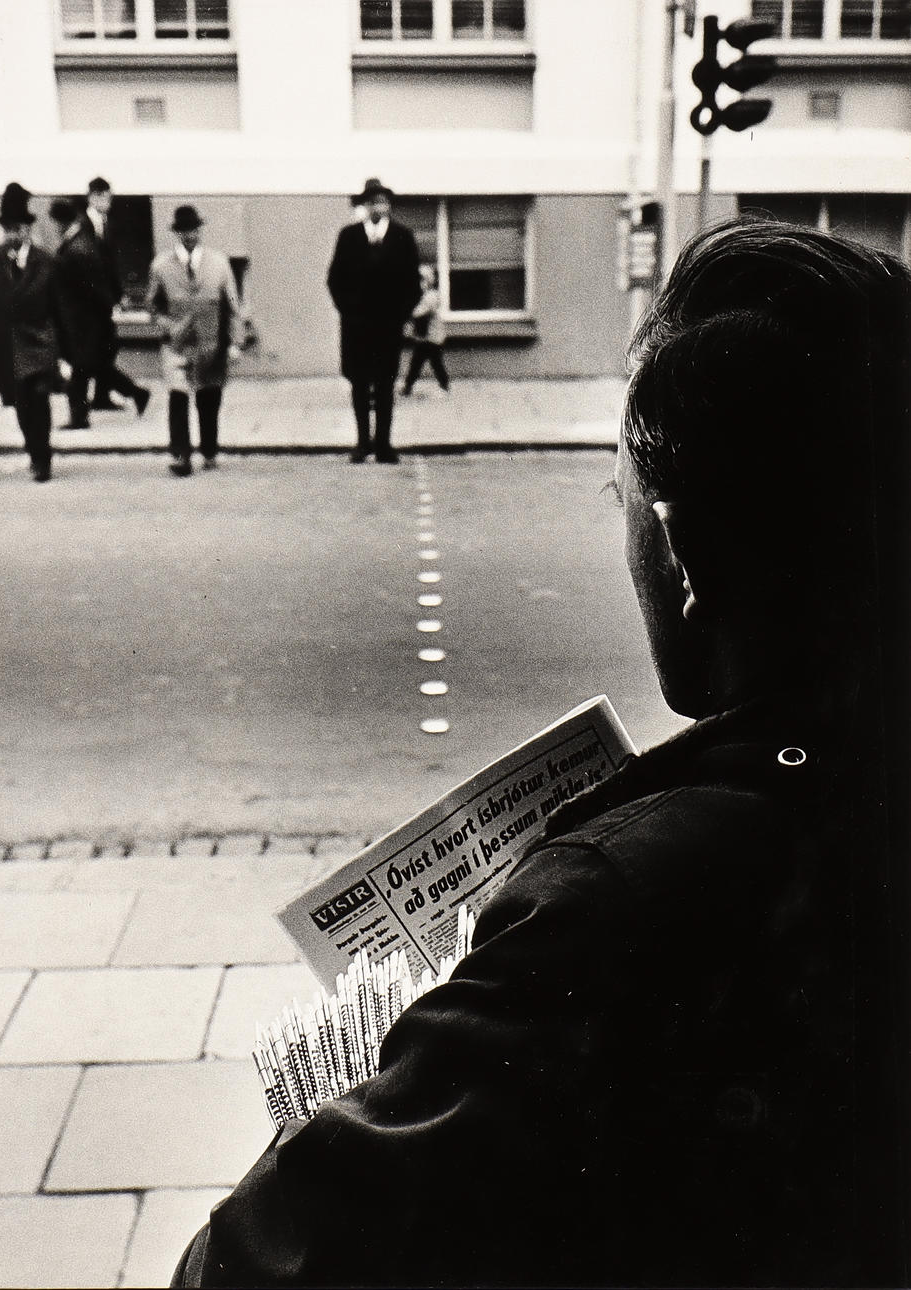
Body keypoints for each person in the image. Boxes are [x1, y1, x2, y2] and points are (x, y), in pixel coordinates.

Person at [172, 219, 910, 1288]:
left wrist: (323, 1121)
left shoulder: (611, 907)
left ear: (686, 551)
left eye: (624, 506)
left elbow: (246, 1271)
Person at [0, 183, 69, 482]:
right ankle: (34, 448)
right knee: (21, 404)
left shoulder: (47, 262)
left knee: (37, 398)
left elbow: (61, 309)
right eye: (8, 229)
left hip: (41, 343)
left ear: (28, 230)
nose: (13, 235)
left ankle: (42, 458)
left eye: (19, 229)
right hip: (5, 347)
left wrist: (65, 354)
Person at [327, 177, 420, 464]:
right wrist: (350, 313)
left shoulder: (403, 237)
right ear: (365, 206)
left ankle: (383, 445)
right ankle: (362, 443)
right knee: (358, 384)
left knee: (384, 385)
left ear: (389, 206)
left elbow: (412, 284)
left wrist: (401, 316)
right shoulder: (349, 236)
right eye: (373, 202)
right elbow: (334, 280)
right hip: (356, 327)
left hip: (388, 328)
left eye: (384, 202)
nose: (379, 207)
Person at [147, 204, 243, 476]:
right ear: (177, 233)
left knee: (208, 399)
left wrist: (235, 342)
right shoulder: (161, 266)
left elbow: (233, 305)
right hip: (176, 345)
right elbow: (152, 307)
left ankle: (209, 449)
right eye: (184, 231)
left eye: (194, 230)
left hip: (211, 344)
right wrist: (168, 325)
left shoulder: (219, 263)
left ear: (200, 230)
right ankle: (180, 454)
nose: (189, 236)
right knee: (178, 398)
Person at [80, 176, 151, 417]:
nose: (107, 201)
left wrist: (118, 295)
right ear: (91, 197)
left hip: (104, 301)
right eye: (102, 196)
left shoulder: (107, 223)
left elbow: (111, 265)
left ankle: (102, 396)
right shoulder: (84, 225)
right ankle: (134, 392)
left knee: (105, 350)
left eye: (109, 196)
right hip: (89, 303)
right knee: (96, 354)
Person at [48, 197, 117, 429]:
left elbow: (91, 287)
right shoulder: (80, 242)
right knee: (81, 368)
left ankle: (79, 417)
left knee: (77, 370)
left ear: (59, 222)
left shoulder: (76, 248)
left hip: (79, 321)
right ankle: (81, 414)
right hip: (83, 319)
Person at [401, 263, 450, 397]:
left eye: (421, 280)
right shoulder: (423, 296)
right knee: (416, 363)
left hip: (433, 338)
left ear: (428, 281)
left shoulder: (431, 296)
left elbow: (417, 313)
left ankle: (444, 386)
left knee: (436, 363)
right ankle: (408, 387)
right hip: (424, 338)